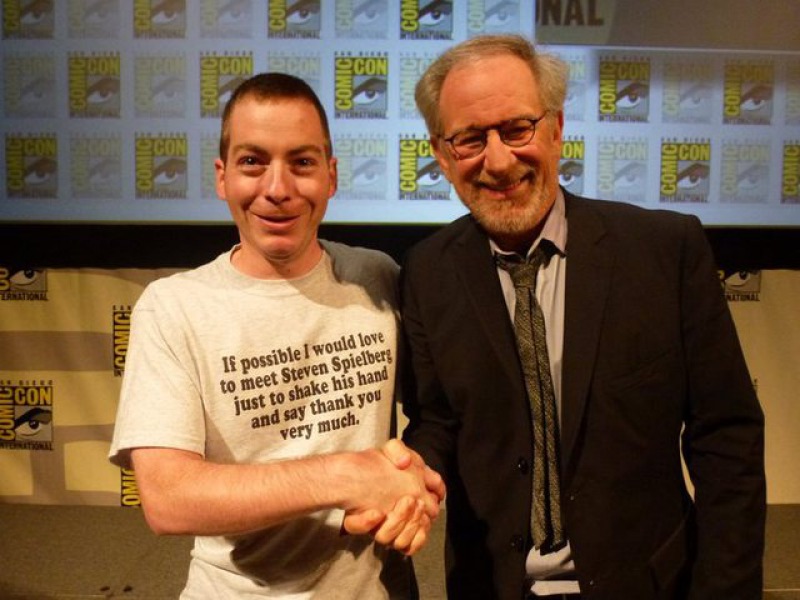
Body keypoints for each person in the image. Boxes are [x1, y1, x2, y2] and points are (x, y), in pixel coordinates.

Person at [400, 34, 766, 599]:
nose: (498, 160)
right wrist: (405, 475)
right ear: (443, 155)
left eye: (517, 128)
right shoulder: (426, 273)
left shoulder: (665, 251)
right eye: (470, 139)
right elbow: (438, 422)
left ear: (555, 128)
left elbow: (727, 440)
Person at [109, 72, 444, 599]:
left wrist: (417, 490)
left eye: (302, 162)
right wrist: (346, 476)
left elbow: (441, 419)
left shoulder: (376, 276)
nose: (278, 188)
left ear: (331, 177)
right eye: (253, 162)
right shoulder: (174, 307)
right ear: (222, 177)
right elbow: (168, 499)